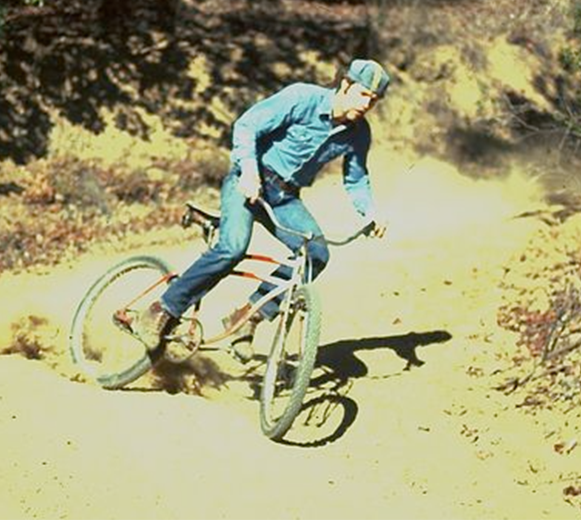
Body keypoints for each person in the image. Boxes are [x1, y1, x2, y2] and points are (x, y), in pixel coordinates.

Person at [132, 58, 391, 362]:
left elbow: (357, 177)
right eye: (363, 95)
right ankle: (161, 310)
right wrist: (251, 174)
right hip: (249, 181)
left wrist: (370, 213)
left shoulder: (358, 134)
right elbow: (247, 125)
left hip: (284, 197)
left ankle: (246, 318)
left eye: (374, 100)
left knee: (316, 254)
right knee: (233, 248)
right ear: (345, 85)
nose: (367, 104)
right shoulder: (302, 98)